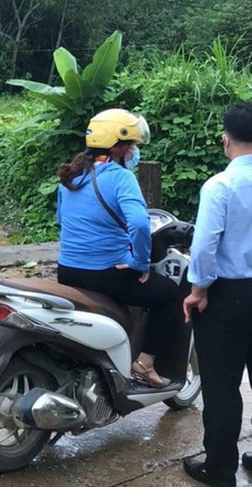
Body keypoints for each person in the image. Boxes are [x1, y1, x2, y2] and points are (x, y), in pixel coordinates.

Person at [55, 109, 183, 388]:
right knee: (170, 295)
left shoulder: (70, 177)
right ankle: (145, 363)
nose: (134, 151)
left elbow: (61, 220)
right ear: (118, 147)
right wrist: (139, 261)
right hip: (104, 273)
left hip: (66, 271)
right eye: (132, 146)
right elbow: (138, 224)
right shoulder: (120, 177)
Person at [182, 103, 252, 487]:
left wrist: (197, 292)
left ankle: (221, 469)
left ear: (226, 139)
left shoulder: (220, 186)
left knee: (222, 385)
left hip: (228, 296)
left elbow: (205, 246)